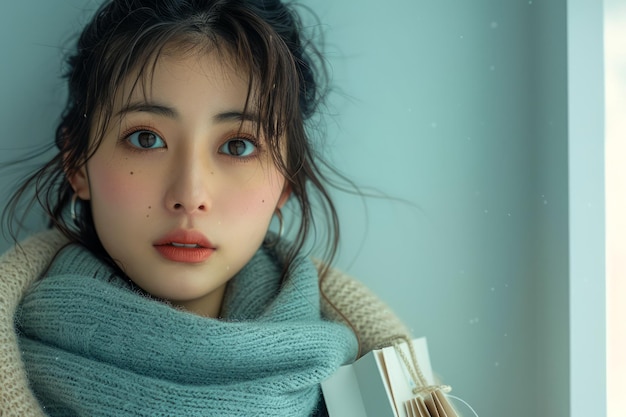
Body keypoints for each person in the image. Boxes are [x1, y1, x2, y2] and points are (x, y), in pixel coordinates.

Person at [0, 0, 411, 415]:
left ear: (288, 178)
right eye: (146, 139)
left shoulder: (380, 389)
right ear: (77, 163)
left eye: (238, 146)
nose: (190, 195)